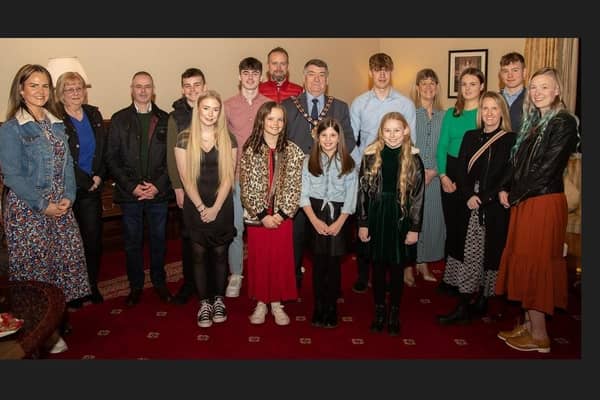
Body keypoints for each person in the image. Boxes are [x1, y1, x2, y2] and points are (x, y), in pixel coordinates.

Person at [0, 64, 91, 353]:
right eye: (34, 85)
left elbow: (66, 165)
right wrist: (43, 205)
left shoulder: (56, 123)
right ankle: (42, 332)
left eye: (45, 86)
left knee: (62, 265)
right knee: (36, 271)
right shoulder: (12, 128)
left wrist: (68, 196)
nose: (40, 91)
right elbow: (11, 175)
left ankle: (54, 321)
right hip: (30, 209)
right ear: (21, 90)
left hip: (60, 206)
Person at [495, 67, 578, 353]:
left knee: (537, 263)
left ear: (557, 91)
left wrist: (515, 193)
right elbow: (515, 163)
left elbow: (546, 169)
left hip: (543, 201)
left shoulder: (565, 122)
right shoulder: (534, 122)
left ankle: (540, 335)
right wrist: (504, 188)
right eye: (534, 87)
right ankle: (530, 325)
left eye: (545, 87)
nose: (538, 92)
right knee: (524, 260)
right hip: (525, 200)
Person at [436, 91, 516, 325]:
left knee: (489, 254)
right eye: (485, 109)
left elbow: (507, 176)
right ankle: (462, 306)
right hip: (468, 202)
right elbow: (461, 168)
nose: (489, 113)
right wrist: (469, 194)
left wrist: (483, 198)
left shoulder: (510, 139)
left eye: (494, 109)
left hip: (491, 208)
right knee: (468, 253)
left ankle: (482, 299)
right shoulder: (471, 136)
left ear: (502, 112)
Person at [282, 58, 356, 289]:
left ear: (327, 79)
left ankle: (327, 285)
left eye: (321, 75)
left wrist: (328, 161)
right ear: (303, 78)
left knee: (326, 241)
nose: (316, 79)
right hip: (298, 183)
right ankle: (293, 278)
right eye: (311, 74)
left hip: (329, 186)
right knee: (297, 235)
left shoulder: (340, 107)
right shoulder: (288, 105)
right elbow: (281, 142)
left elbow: (350, 140)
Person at [349, 52, 416, 293]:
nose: (382, 74)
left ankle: (393, 271)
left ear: (391, 72)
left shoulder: (405, 104)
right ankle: (363, 273)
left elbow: (412, 141)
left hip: (396, 171)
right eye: (377, 69)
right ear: (370, 73)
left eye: (386, 69)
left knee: (394, 222)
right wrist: (361, 166)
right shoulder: (359, 103)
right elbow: (351, 140)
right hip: (368, 171)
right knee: (366, 220)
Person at [106, 71, 173, 307]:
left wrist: (158, 185)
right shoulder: (119, 119)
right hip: (130, 194)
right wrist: (132, 187)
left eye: (147, 86)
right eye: (138, 86)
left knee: (158, 240)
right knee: (132, 242)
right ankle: (135, 286)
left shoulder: (166, 118)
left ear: (153, 90)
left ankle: (159, 282)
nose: (143, 90)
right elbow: (111, 158)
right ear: (131, 89)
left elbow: (173, 159)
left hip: (158, 193)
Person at [357, 112, 424, 336]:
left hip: (400, 217)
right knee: (376, 267)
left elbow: (417, 197)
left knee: (396, 267)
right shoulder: (370, 156)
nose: (392, 135)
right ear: (381, 132)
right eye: (387, 130)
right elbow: (363, 193)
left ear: (405, 131)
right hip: (376, 216)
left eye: (397, 130)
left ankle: (394, 311)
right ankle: (379, 310)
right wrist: (363, 221)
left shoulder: (413, 158)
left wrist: (414, 228)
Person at [174, 90, 237, 328]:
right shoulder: (183, 138)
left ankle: (219, 300)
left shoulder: (228, 138)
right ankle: (204, 303)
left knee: (220, 254)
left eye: (215, 109)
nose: (211, 114)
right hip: (195, 204)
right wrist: (202, 207)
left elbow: (229, 178)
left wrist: (216, 207)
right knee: (198, 256)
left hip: (222, 204)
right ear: (197, 110)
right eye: (206, 108)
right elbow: (185, 177)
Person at [239, 101, 304, 325]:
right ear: (262, 121)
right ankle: (260, 302)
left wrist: (282, 214)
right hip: (258, 218)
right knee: (260, 259)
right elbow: (246, 187)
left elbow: (296, 186)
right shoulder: (250, 148)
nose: (275, 124)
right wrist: (261, 215)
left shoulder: (293, 150)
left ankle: (276, 303)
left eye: (279, 119)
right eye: (270, 119)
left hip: (282, 218)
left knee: (280, 259)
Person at [56, 71, 108, 306]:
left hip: (93, 188)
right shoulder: (55, 119)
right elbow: (63, 157)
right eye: (70, 89)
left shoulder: (93, 113)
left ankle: (90, 286)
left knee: (92, 240)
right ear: (61, 94)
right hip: (67, 190)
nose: (76, 93)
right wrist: (87, 181)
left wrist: (98, 176)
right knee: (68, 243)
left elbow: (103, 148)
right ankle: (72, 292)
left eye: (79, 88)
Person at [301, 118, 357, 328]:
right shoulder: (308, 161)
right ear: (317, 137)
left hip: (338, 217)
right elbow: (303, 195)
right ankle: (318, 306)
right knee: (318, 265)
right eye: (324, 135)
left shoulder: (348, 162)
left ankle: (332, 306)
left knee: (333, 265)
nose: (328, 139)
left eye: (333, 135)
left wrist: (340, 222)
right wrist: (314, 221)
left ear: (339, 137)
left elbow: (351, 197)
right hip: (314, 214)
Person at [436, 67, 485, 296]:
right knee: (452, 226)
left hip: (474, 175)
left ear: (481, 86)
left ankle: (468, 279)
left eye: (472, 84)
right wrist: (443, 176)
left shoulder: (485, 114)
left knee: (469, 230)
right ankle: (450, 277)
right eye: (463, 84)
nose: (467, 88)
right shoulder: (451, 113)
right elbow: (442, 146)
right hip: (451, 172)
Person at [224, 57, 270, 298]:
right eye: (246, 73)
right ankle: (236, 274)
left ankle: (262, 272)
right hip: (237, 177)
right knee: (236, 228)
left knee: (262, 228)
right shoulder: (228, 105)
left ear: (261, 76)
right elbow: (222, 142)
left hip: (263, 178)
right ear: (239, 76)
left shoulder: (270, 104)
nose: (250, 77)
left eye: (255, 73)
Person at [166, 67, 207, 305]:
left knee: (211, 237)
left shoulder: (214, 110)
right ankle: (190, 282)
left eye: (197, 85)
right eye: (188, 86)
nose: (192, 90)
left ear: (204, 85)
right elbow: (172, 156)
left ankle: (212, 281)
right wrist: (178, 188)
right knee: (189, 237)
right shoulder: (176, 117)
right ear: (183, 89)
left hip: (211, 184)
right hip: (187, 186)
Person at [408, 68, 446, 284]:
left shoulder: (445, 116)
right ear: (417, 88)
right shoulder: (410, 114)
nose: (428, 87)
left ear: (437, 87)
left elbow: (448, 146)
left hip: (436, 177)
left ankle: (423, 264)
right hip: (413, 176)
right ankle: (407, 266)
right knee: (412, 221)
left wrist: (437, 171)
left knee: (431, 221)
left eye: (432, 83)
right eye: (424, 83)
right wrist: (419, 172)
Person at [499, 52, 527, 133]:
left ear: (524, 72)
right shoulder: (493, 99)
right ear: (500, 74)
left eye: (515, 70)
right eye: (505, 71)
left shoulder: (534, 99)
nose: (510, 75)